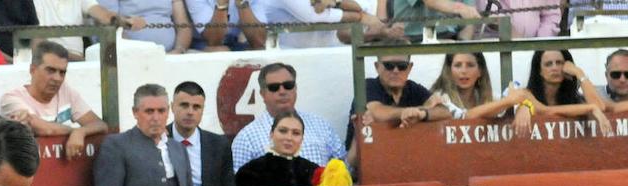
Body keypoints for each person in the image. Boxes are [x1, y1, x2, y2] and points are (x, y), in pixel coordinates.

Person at [0, 40, 109, 159]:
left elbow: (100, 125)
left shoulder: (66, 92)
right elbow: (44, 129)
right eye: (50, 70)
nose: (57, 78)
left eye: (62, 72)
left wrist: (80, 132)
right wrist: (74, 131)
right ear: (32, 70)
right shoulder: (12, 98)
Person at [231, 63, 345, 172]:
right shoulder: (246, 138)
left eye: (288, 85)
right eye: (274, 87)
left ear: (295, 89)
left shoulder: (321, 126)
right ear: (262, 94)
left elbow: (344, 169)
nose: (282, 91)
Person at [94, 84, 194, 186]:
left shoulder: (178, 148)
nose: (156, 118)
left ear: (168, 111)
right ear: (135, 112)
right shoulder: (116, 146)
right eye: (149, 111)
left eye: (161, 111)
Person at [514, 49, 612, 136]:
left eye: (559, 63)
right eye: (548, 64)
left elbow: (599, 106)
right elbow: (545, 110)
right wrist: (525, 106)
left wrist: (579, 73)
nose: (554, 68)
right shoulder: (526, 94)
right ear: (539, 70)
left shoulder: (574, 98)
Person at [169, 81, 234, 186]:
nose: (190, 112)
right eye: (184, 105)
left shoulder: (219, 145)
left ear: (203, 110)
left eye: (196, 107)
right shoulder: (159, 140)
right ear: (172, 107)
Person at [234, 111, 321, 186]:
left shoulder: (314, 172)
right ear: (271, 134)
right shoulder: (249, 172)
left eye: (296, 133)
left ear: (302, 139)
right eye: (283, 131)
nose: (289, 138)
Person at [424, 52, 526, 121]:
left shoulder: (486, 95)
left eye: (470, 65)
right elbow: (465, 117)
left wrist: (523, 108)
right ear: (449, 71)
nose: (463, 71)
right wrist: (508, 101)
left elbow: (516, 102)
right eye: (458, 65)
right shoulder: (440, 97)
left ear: (480, 71)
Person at [33, 0, 143, 61]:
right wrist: (80, 60)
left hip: (76, 63)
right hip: (44, 62)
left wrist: (127, 22)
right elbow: (37, 43)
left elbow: (104, 15)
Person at [253, 0, 395, 47]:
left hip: (326, 54)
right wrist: (359, 17)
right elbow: (312, 15)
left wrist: (335, 2)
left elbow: (357, 5)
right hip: (288, 54)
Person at [96, 0, 193, 53]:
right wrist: (137, 53)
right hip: (130, 56)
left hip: (170, 55)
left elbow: (183, 23)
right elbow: (109, 23)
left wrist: (179, 50)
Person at [186, 0, 265, 51]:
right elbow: (213, 41)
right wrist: (222, 5)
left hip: (236, 42)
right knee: (221, 50)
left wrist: (242, 3)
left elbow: (258, 41)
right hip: (202, 43)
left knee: (259, 51)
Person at [390, 0, 481, 41]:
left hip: (449, 37)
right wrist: (460, 8)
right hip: (411, 38)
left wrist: (463, 46)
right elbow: (432, 2)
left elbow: (469, 18)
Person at [475, 0, 558, 38]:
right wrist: (522, 46)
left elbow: (550, 16)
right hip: (496, 47)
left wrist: (541, 45)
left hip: (534, 51)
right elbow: (495, 17)